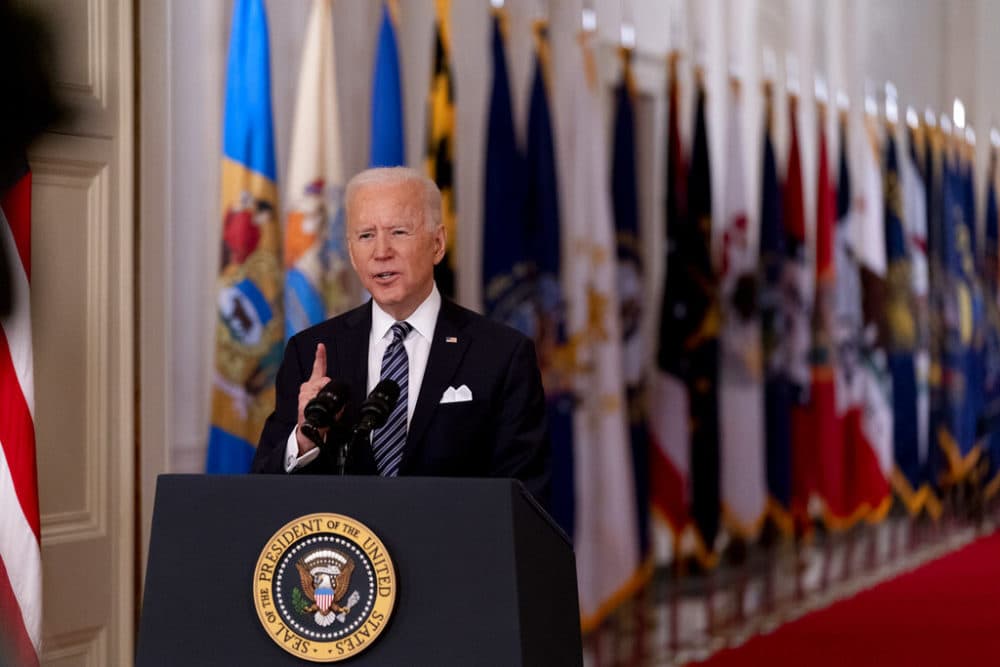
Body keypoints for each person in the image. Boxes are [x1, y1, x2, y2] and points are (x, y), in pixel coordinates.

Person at [252, 167, 551, 507]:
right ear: (351, 253)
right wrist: (305, 441)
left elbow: (526, 501)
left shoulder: (502, 354)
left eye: (398, 232)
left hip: (453, 557)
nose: (381, 251)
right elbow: (263, 490)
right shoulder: (311, 352)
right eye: (366, 236)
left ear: (437, 244)